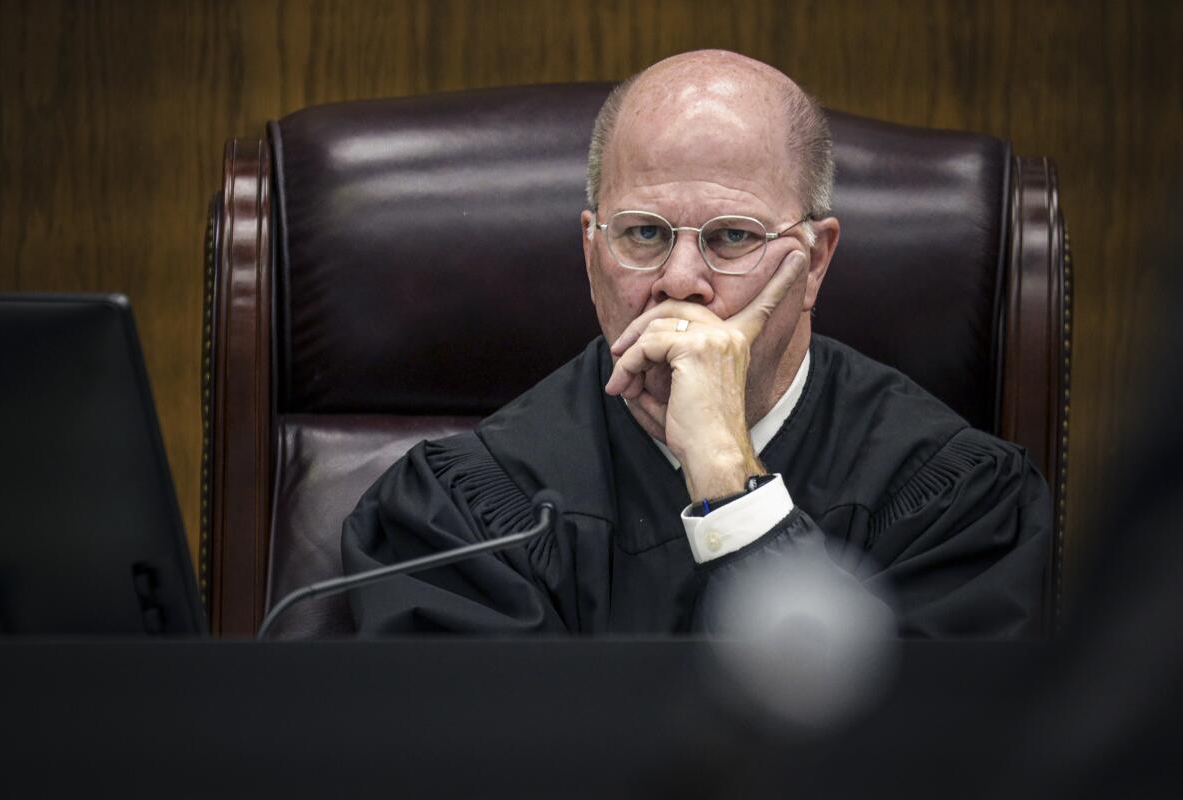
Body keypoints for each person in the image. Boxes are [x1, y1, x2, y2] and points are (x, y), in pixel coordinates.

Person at [342, 49, 1050, 636]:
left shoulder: (955, 500)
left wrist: (730, 483)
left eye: (733, 236)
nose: (680, 281)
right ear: (592, 253)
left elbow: (917, 754)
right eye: (643, 233)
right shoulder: (468, 512)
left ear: (814, 262)